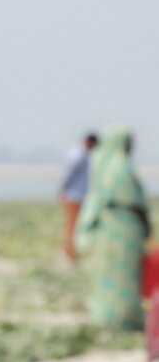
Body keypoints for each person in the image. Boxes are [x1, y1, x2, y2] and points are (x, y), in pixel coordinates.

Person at [74, 126, 151, 330]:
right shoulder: (118, 167)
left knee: (115, 273)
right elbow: (133, 201)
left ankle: (113, 316)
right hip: (121, 229)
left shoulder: (104, 165)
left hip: (114, 230)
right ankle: (119, 318)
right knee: (120, 273)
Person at [58, 132, 98, 260]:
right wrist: (62, 189)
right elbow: (69, 174)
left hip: (80, 195)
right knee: (72, 225)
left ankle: (73, 251)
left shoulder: (85, 155)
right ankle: (70, 253)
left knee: (76, 225)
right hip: (73, 195)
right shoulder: (79, 155)